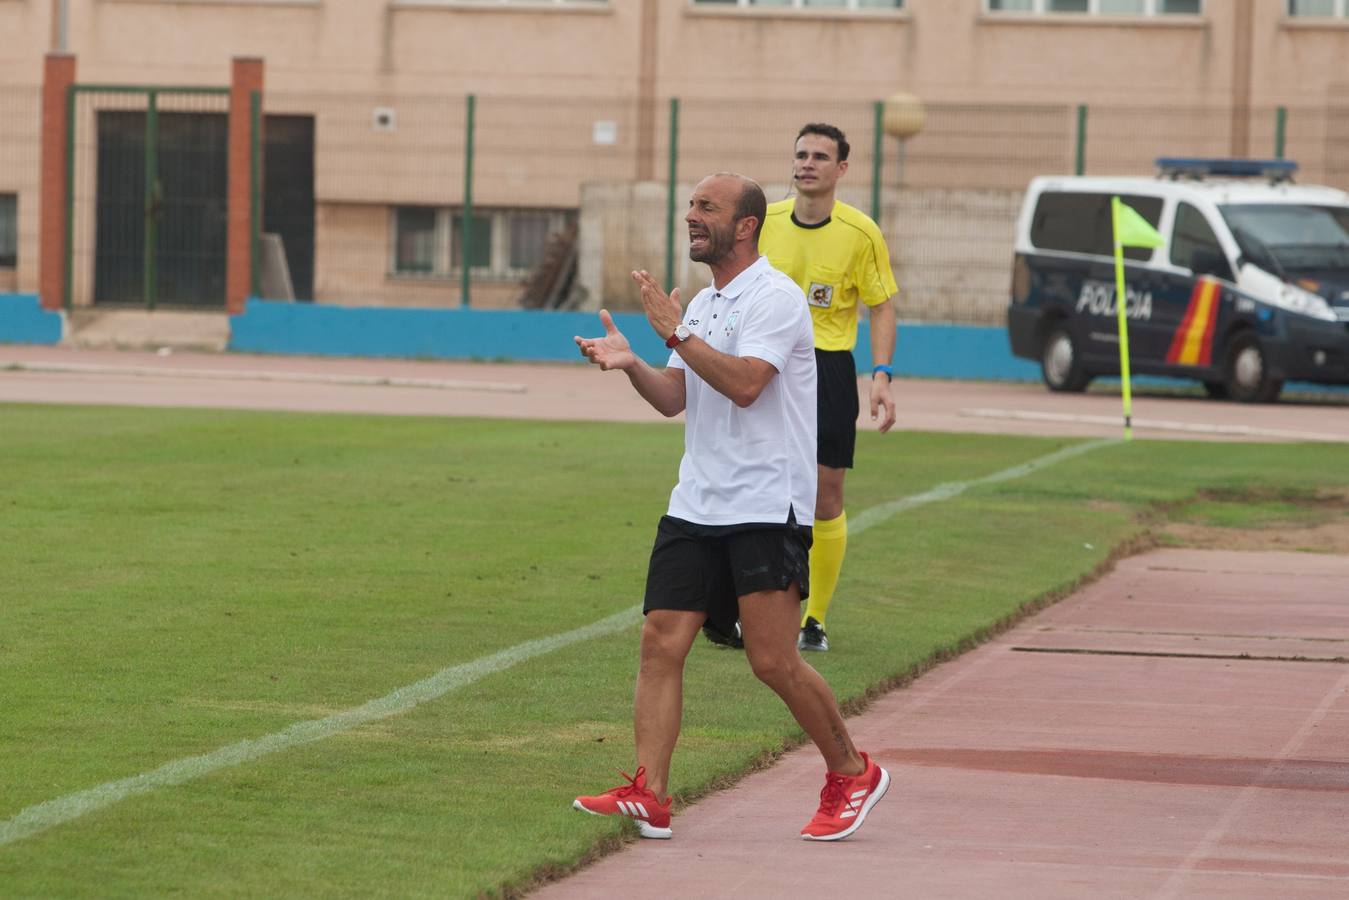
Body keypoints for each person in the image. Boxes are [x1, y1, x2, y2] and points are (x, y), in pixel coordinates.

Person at [570, 172, 890, 842]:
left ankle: (851, 768)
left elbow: (746, 384)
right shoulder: (708, 304)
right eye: (689, 206)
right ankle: (650, 794)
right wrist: (633, 362)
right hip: (698, 499)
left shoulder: (773, 297)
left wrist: (674, 332)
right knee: (660, 640)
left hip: (765, 502)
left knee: (771, 660)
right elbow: (675, 398)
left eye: (704, 208)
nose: (690, 217)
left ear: (744, 225)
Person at [753, 122, 900, 653]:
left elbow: (882, 305)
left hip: (828, 366)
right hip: (763, 362)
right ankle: (751, 609)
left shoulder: (861, 233)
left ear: (841, 169)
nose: (807, 163)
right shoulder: (762, 222)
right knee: (760, 486)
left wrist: (881, 375)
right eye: (800, 154)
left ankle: (812, 618)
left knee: (824, 492)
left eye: (820, 156)